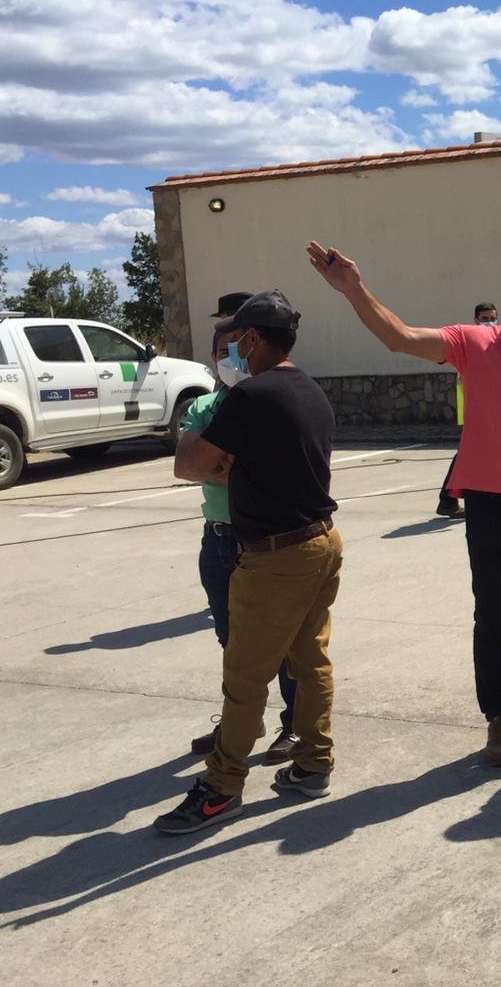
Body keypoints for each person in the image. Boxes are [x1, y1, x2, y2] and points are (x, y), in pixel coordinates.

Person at [308, 243, 501, 767]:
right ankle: (500, 716)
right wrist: (353, 288)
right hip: (489, 501)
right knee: (492, 612)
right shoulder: (473, 343)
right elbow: (400, 338)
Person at [157, 290, 343, 834]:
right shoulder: (310, 389)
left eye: (236, 338)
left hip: (274, 556)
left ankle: (220, 787)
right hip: (320, 543)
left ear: (254, 339)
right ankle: (313, 763)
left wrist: (207, 437)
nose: (230, 348)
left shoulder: (250, 396)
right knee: (310, 661)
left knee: (244, 675)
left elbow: (189, 464)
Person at [180, 312, 300, 765]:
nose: (231, 357)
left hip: (266, 539)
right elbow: (187, 465)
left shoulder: (270, 402)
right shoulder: (203, 408)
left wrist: (220, 464)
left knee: (285, 641)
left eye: (238, 347)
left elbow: (264, 470)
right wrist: (228, 464)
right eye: (222, 350)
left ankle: (294, 725)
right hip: (218, 541)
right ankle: (241, 722)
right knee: (232, 641)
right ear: (213, 359)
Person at [436, 301, 501, 519]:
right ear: (475, 321)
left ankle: (452, 499)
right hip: (472, 406)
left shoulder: (496, 342)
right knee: (467, 453)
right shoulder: (472, 342)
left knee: (473, 453)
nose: (490, 322)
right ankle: (448, 499)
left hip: (485, 406)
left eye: (493, 318)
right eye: (484, 319)